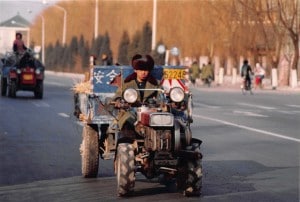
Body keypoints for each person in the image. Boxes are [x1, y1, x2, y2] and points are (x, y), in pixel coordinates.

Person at [112, 54, 161, 139]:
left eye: (146, 70)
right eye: (141, 70)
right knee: (127, 121)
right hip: (131, 111)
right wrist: (118, 101)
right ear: (135, 70)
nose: (143, 73)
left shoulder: (155, 84)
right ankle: (128, 143)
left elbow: (161, 97)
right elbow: (118, 95)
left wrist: (160, 103)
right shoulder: (127, 83)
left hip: (150, 113)